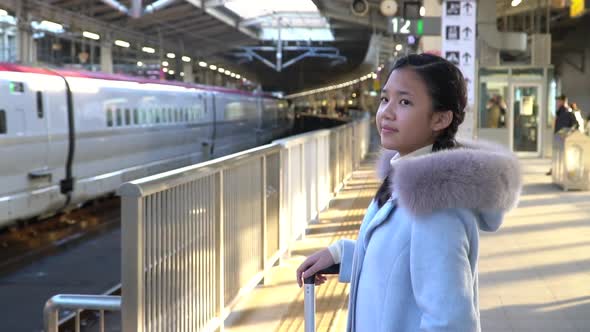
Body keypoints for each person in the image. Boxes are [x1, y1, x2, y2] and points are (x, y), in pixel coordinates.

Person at [296, 54, 522, 332]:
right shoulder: (406, 181)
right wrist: (342, 254)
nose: (386, 112)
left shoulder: (435, 208)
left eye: (404, 102)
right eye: (384, 99)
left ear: (440, 119)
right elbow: (403, 264)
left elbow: (451, 324)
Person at [546, 94, 577, 175]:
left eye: (559, 101)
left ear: (563, 101)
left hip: (564, 137)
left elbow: (575, 125)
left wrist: (567, 133)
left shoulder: (567, 111)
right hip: (558, 136)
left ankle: (565, 171)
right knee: (557, 153)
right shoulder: (559, 111)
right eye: (557, 101)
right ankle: (555, 169)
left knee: (565, 155)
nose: (557, 102)